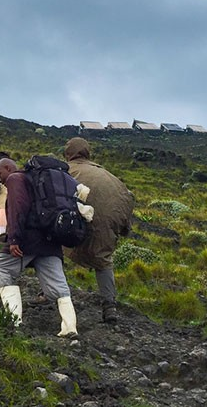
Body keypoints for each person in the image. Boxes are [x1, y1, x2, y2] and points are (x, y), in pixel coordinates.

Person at [0, 158, 78, 338]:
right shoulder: (36, 181)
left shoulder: (15, 179)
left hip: (28, 239)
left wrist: (14, 238)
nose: (0, 180)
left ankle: (13, 322)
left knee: (0, 267)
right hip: (50, 239)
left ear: (8, 168)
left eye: (0, 175)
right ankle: (70, 328)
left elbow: (18, 209)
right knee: (58, 284)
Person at [63, 137, 135, 324]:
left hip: (75, 225)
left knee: (54, 250)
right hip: (108, 225)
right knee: (103, 261)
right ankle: (109, 306)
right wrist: (123, 229)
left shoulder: (66, 171)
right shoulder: (111, 178)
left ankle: (48, 293)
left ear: (68, 154)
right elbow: (127, 200)